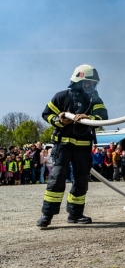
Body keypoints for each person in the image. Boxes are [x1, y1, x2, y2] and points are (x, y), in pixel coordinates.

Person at [36, 64, 108, 228]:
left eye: (93, 83)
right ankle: (47, 214)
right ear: (78, 81)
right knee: (57, 177)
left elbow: (103, 117)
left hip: (83, 147)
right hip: (63, 146)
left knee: (81, 180)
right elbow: (46, 114)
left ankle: (75, 214)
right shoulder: (62, 97)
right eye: (88, 82)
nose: (91, 86)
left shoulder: (94, 100)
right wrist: (59, 120)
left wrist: (88, 118)